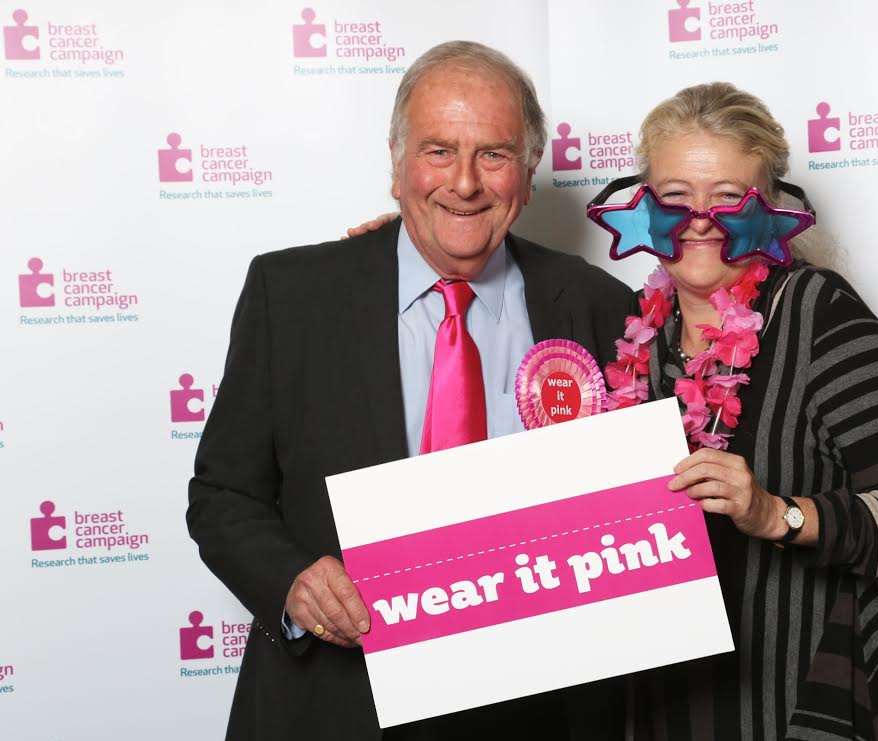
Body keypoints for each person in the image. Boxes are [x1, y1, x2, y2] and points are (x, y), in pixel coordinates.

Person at [351, 81, 878, 741]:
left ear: (769, 208)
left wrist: (775, 513)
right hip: (663, 706)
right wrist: (408, 246)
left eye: (728, 197)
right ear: (644, 205)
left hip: (802, 692)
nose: (701, 220)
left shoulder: (816, 311)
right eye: (675, 197)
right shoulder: (632, 327)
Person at [186, 41, 631, 741]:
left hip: (535, 710)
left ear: (529, 170)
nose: (463, 182)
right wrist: (293, 580)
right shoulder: (293, 296)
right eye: (437, 151)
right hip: (335, 705)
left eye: (493, 153)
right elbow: (220, 495)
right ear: (397, 166)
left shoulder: (599, 304)